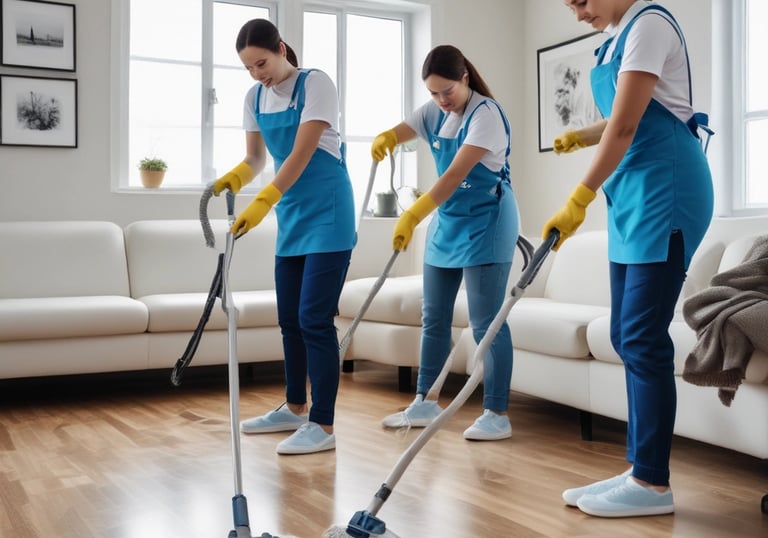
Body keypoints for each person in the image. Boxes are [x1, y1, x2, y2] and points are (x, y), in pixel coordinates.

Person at [544, 1, 714, 517]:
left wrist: (578, 197)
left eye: (581, 1)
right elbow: (619, 120)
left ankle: (653, 483)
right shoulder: (616, 39)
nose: (578, 13)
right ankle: (641, 468)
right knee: (625, 333)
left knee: (641, 334)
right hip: (634, 195)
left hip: (667, 186)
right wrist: (580, 134)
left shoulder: (650, 25)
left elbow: (625, 130)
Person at [213, 19, 355, 455]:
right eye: (249, 68)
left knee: (314, 319)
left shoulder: (316, 84)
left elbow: (301, 152)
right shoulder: (254, 97)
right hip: (292, 214)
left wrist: (263, 203)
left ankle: (323, 426)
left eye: (262, 62)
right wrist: (237, 177)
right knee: (289, 320)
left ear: (280, 49)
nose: (258, 74)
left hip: (329, 212)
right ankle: (295, 408)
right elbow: (257, 158)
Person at [371, 45, 520, 441]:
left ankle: (496, 412)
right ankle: (424, 400)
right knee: (433, 315)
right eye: (434, 93)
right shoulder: (433, 111)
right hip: (448, 221)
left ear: (465, 78)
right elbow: (404, 132)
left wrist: (412, 214)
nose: (442, 100)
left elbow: (453, 176)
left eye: (447, 90)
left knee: (485, 321)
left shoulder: (485, 115)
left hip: (488, 220)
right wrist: (386, 137)